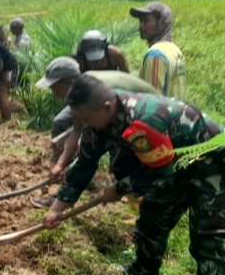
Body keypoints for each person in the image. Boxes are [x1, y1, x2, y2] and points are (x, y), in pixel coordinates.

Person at [42, 76, 225, 275]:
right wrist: (56, 209)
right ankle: (143, 273)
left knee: (208, 241)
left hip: (211, 164)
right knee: (152, 218)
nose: (83, 125)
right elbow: (84, 164)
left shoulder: (141, 121)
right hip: (171, 162)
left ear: (107, 108)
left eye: (85, 119)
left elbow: (159, 173)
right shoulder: (98, 118)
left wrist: (119, 189)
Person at [30, 57, 158, 206]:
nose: (54, 93)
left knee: (131, 164)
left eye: (55, 88)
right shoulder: (81, 95)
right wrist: (60, 164)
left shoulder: (95, 93)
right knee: (101, 159)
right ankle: (65, 198)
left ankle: (146, 204)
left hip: (147, 116)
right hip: (120, 114)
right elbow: (77, 130)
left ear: (69, 83)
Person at [130, 1, 186, 99]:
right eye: (140, 21)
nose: (141, 26)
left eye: (146, 20)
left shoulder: (155, 55)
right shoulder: (176, 51)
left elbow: (153, 100)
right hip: (175, 111)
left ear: (161, 22)